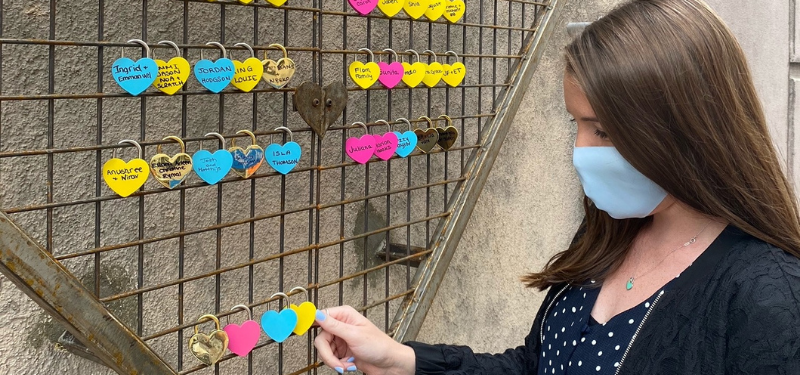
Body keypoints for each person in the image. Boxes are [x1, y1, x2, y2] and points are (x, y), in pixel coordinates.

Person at [312, 0, 800, 373]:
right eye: (577, 125)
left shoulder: (766, 295)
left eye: (604, 131)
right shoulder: (613, 233)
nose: (581, 151)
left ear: (687, 126)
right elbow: (536, 365)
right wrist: (403, 360)